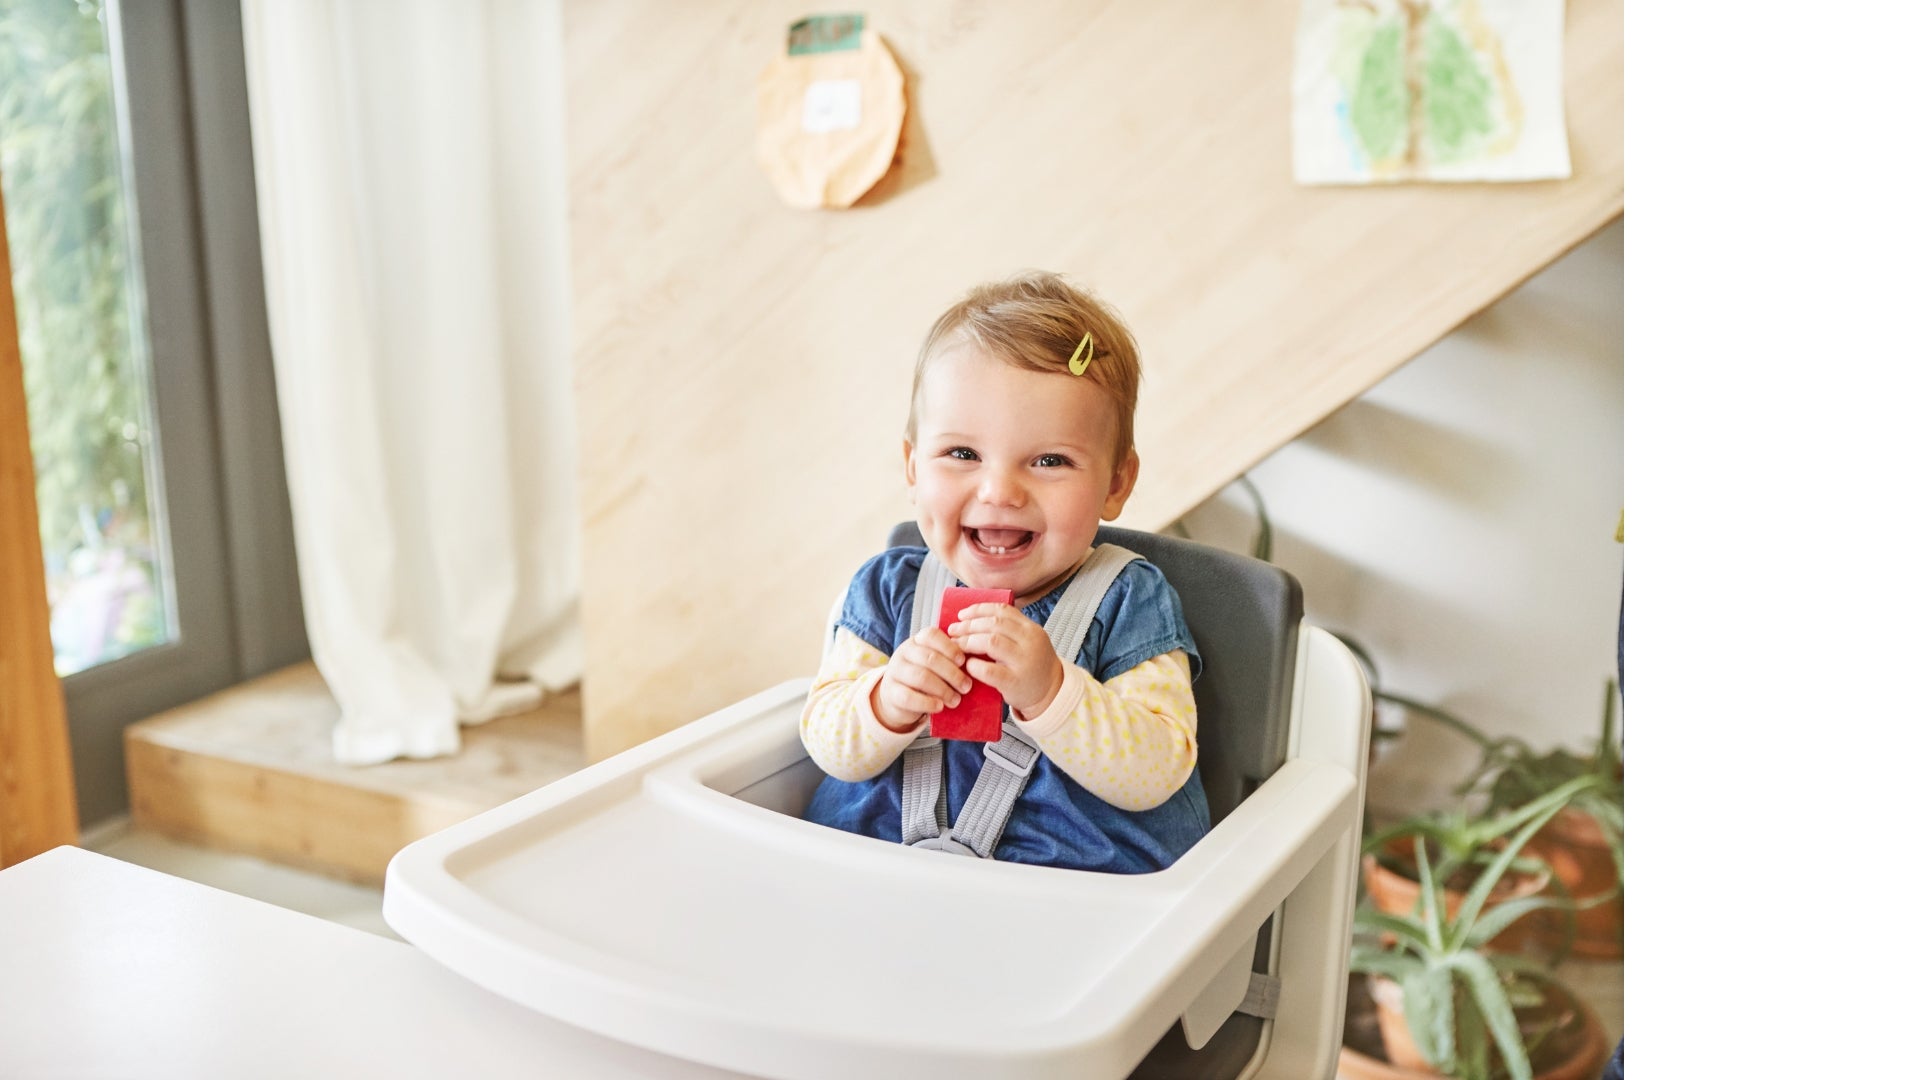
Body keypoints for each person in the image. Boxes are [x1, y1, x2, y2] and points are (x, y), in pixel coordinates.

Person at [799, 271, 1209, 873]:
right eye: (962, 454)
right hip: (878, 880)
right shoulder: (888, 593)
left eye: (1049, 460)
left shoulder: (1130, 600)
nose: (999, 491)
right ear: (913, 467)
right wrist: (886, 700)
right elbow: (828, 740)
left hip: (1070, 899)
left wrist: (1051, 692)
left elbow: (1159, 767)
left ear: (1116, 484)